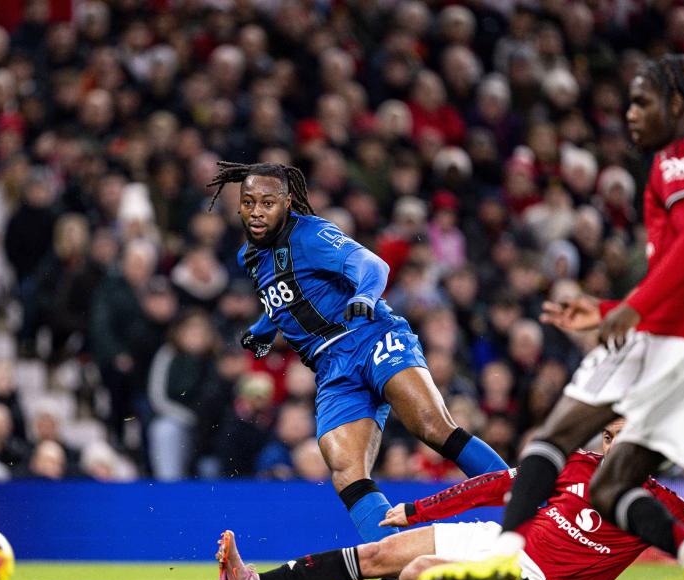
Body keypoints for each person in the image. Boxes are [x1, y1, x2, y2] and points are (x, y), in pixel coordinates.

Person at [417, 54, 684, 580]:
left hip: (671, 337)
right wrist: (606, 306)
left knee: (551, 440)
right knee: (613, 484)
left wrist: (630, 309)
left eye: (642, 101)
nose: (630, 114)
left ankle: (506, 554)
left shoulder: (679, 160)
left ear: (676, 104)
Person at [206, 161, 507, 543]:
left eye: (268, 202)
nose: (257, 211)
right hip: (331, 368)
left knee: (431, 427)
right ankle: (395, 557)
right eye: (249, 202)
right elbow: (286, 298)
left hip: (371, 336)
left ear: (288, 202)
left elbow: (372, 264)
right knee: (345, 469)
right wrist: (262, 329)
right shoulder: (247, 256)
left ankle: (524, 511)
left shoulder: (312, 234)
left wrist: (365, 295)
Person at [214, 420, 684, 580]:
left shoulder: (665, 508)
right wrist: (413, 508)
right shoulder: (575, 464)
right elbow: (497, 484)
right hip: (502, 538)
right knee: (378, 553)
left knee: (416, 575)